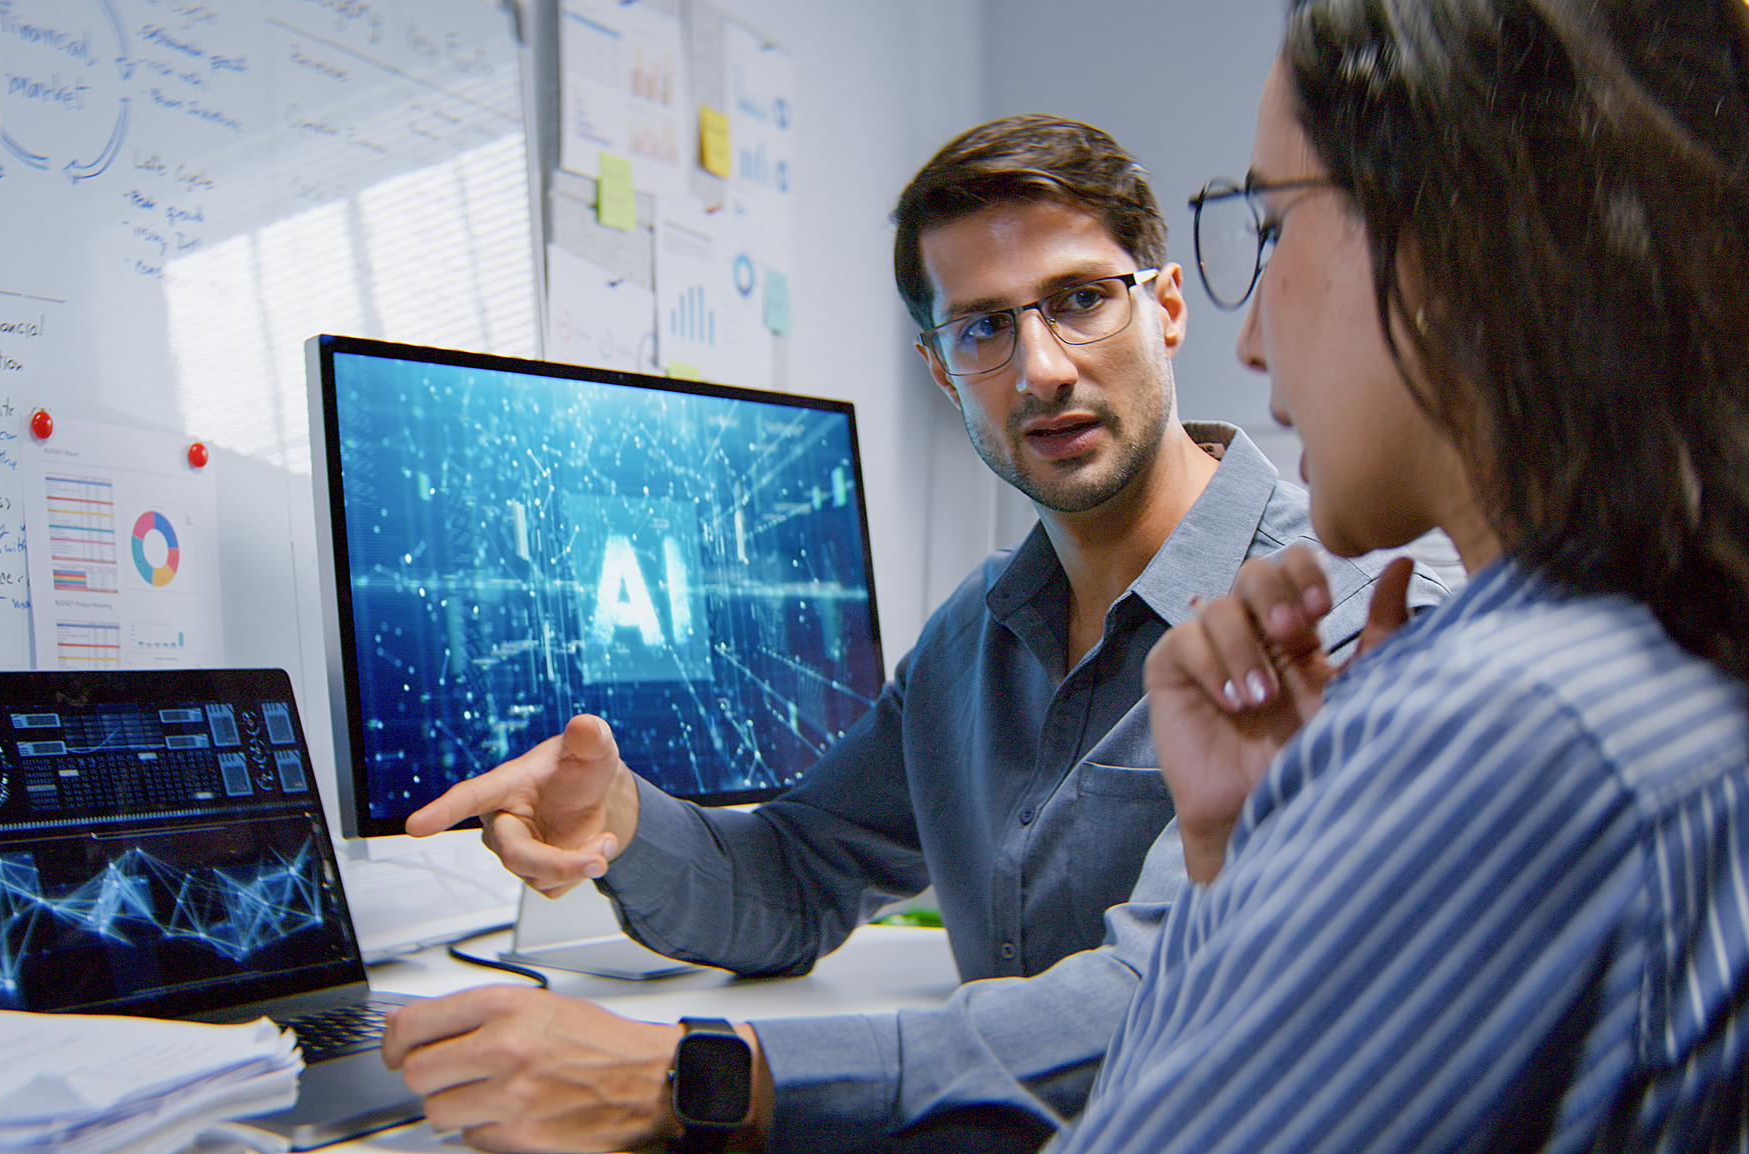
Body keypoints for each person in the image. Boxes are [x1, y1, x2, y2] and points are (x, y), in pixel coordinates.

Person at [1038, 0, 1749, 1150]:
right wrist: (1250, 851)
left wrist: (1354, 814)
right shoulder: (1705, 646)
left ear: (1461, 232)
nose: (1249, 336)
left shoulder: (1509, 722)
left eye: (1270, 226)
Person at [377, 115, 1444, 1154]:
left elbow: (1164, 999)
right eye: (982, 327)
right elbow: (792, 877)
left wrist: (687, 1077)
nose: (1040, 368)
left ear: (1166, 307)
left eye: (1078, 300)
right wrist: (615, 815)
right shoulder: (971, 638)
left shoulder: (1348, 618)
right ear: (941, 371)